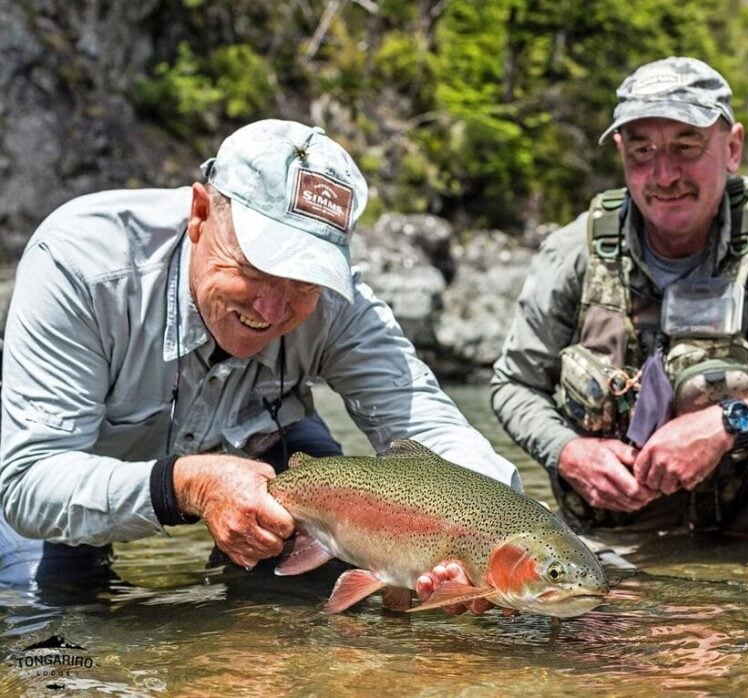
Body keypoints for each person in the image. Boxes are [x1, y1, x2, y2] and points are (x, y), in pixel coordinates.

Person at [0, 119, 519, 602]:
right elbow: (27, 482)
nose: (272, 308)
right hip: (65, 477)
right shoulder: (81, 265)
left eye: (303, 280)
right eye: (257, 267)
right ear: (200, 215)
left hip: (267, 452)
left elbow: (425, 418)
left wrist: (505, 531)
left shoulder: (340, 304)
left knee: (319, 593)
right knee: (45, 617)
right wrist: (187, 485)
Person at [491, 57, 748, 542]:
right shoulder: (572, 250)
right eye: (642, 151)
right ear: (621, 152)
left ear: (733, 148)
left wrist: (727, 425)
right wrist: (568, 452)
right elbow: (514, 384)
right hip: (626, 511)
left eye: (686, 146)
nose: (664, 175)